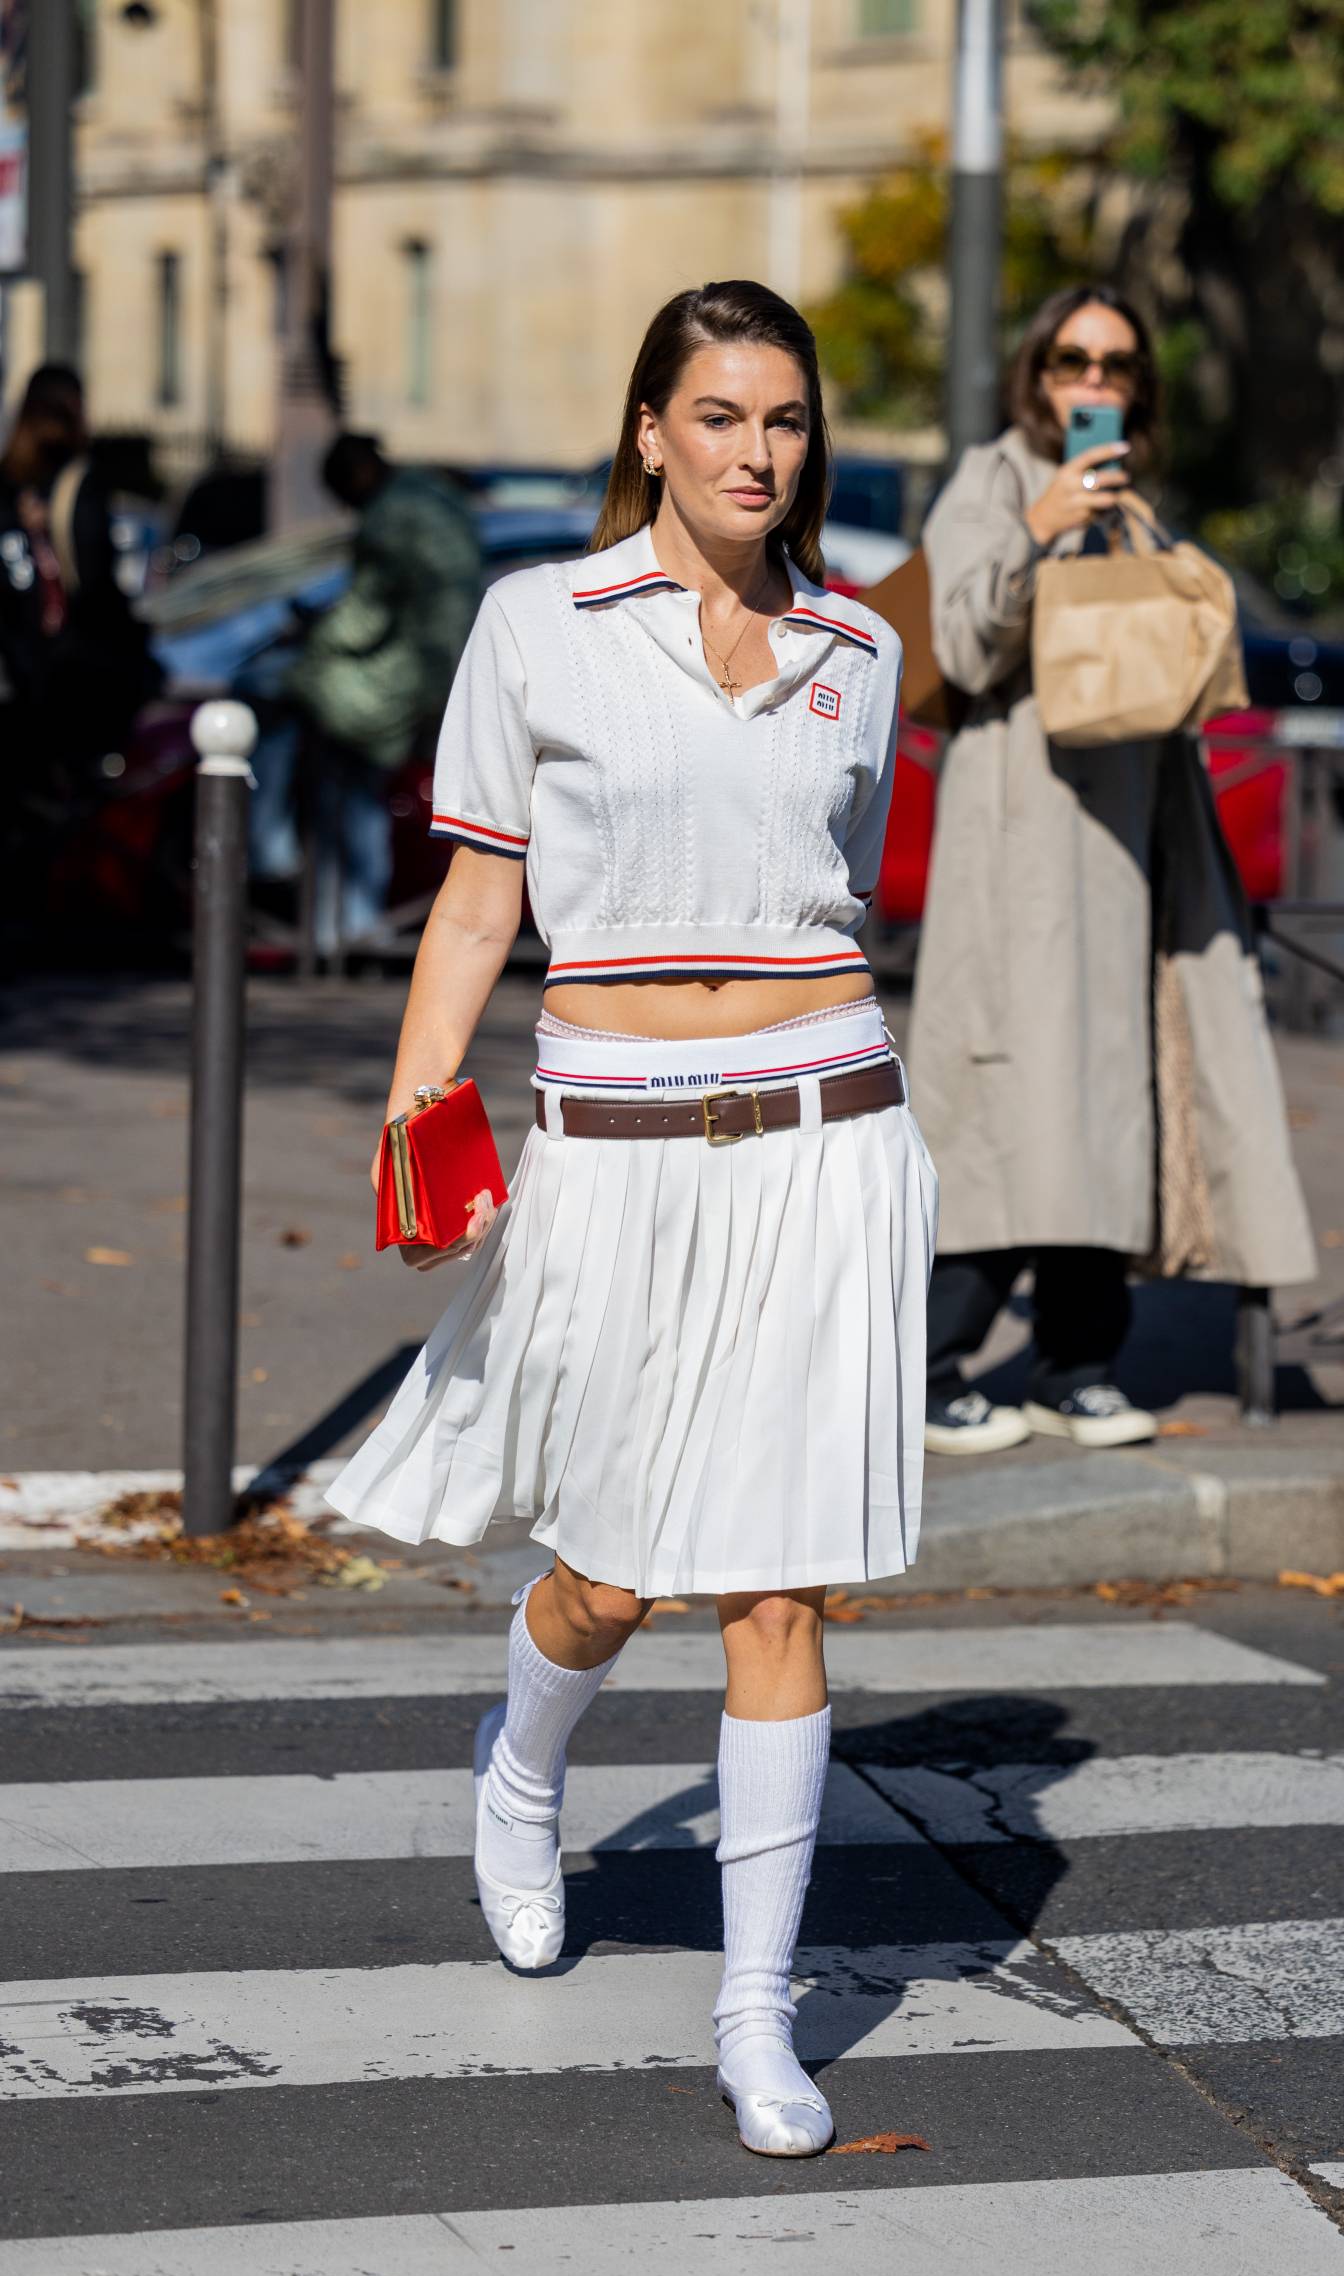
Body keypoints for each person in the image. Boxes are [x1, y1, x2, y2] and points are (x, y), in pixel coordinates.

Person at [326, 282, 929, 2160]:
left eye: (788, 420)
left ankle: (759, 2008)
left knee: (781, 1581)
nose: (760, 452)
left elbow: (835, 896)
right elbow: (477, 904)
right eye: (722, 414)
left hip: (827, 1128)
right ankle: (523, 1767)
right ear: (650, 429)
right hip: (616, 1135)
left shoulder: (854, 645)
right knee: (610, 1567)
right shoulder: (536, 625)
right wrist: (425, 1101)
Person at [910, 285, 1314, 1456]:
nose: (1093, 382)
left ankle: (1076, 1360)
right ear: (1036, 373)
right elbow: (961, 644)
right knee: (1000, 1098)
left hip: (1130, 845)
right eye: (1072, 360)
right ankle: (935, 1362)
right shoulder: (990, 482)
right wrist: (1037, 528)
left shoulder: (1134, 505)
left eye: (1117, 366)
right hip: (1018, 839)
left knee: (1105, 1089)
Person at [251, 432, 482, 954]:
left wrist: (316, 634)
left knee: (270, 694)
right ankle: (352, 924)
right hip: (435, 674)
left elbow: (367, 614)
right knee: (359, 797)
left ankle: (270, 848)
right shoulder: (435, 500)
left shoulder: (391, 517)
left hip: (392, 677)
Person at [0, 362, 158, 802]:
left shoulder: (11, 485)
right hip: (59, 677)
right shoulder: (77, 485)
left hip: (21, 675)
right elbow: (95, 589)